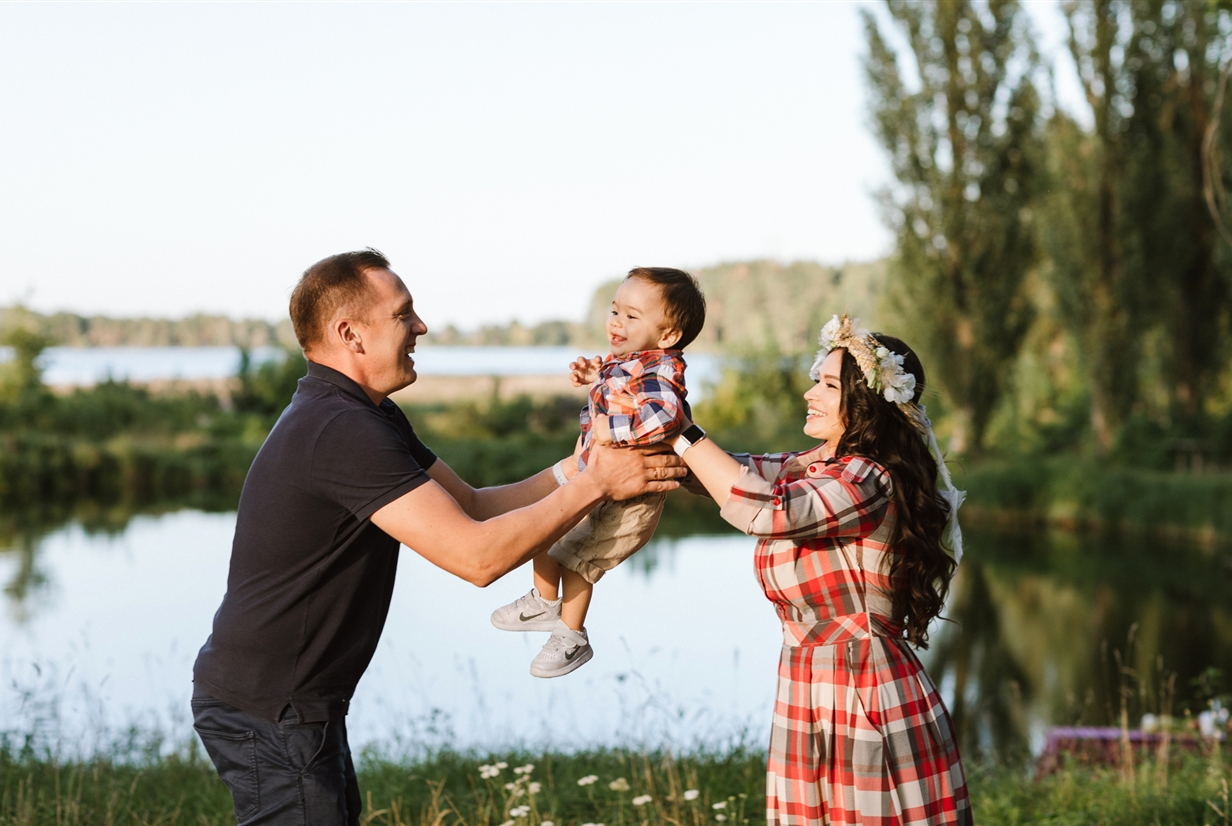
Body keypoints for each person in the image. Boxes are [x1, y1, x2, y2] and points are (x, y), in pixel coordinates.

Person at [191, 249, 683, 826]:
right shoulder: (341, 429)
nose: (422, 327)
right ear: (351, 334)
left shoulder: (366, 414)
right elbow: (475, 557)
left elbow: (472, 506)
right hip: (272, 707)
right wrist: (596, 485)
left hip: (295, 703)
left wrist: (580, 469)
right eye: (404, 314)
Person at [667, 315, 972, 825]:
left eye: (828, 384)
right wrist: (645, 400)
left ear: (868, 401)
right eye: (817, 379)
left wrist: (684, 431)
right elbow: (716, 474)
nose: (810, 393)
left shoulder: (867, 477)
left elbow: (768, 510)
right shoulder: (810, 466)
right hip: (808, 684)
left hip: (865, 688)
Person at [489, 267, 706, 678]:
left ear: (668, 336)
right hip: (597, 481)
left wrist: (614, 428)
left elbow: (666, 416)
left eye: (631, 316)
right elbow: (617, 387)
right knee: (543, 526)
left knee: (579, 561)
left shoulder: (660, 373)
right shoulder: (629, 364)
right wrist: (595, 377)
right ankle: (543, 601)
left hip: (631, 497)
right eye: (614, 310)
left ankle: (571, 636)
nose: (616, 322)